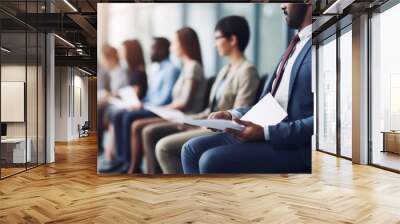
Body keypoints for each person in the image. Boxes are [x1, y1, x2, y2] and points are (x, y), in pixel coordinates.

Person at [181, 2, 313, 174]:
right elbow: (267, 104)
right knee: (190, 149)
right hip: (265, 130)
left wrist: (266, 132)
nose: (281, 5)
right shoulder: (293, 47)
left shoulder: (322, 44)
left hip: (295, 145)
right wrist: (232, 114)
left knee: (210, 160)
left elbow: (324, 120)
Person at [141, 16, 260, 174]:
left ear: (232, 40)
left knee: (164, 147)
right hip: (209, 124)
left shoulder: (247, 70)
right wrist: (190, 121)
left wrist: (198, 125)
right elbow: (210, 109)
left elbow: (239, 115)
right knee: (155, 134)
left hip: (223, 130)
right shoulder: (225, 70)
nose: (214, 44)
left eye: (217, 38)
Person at [126, 27, 207, 173]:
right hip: (177, 114)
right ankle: (141, 170)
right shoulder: (186, 67)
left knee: (143, 128)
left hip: (185, 115)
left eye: (174, 43)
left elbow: (184, 103)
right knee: (139, 125)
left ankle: (147, 172)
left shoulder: (193, 67)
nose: (171, 47)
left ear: (184, 44)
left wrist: (163, 109)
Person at [99, 37, 180, 173]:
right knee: (120, 114)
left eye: (152, 48)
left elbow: (164, 99)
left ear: (160, 50)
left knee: (125, 116)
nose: (149, 52)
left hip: (160, 109)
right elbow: (151, 95)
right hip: (150, 105)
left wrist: (144, 104)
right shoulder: (158, 69)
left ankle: (128, 163)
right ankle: (122, 160)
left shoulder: (170, 69)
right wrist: (143, 103)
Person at [97, 44, 130, 153]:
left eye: (103, 58)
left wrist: (110, 94)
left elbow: (124, 91)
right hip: (109, 100)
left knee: (100, 108)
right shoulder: (106, 72)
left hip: (119, 102)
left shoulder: (123, 71)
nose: (101, 61)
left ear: (109, 58)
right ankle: (99, 145)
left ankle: (101, 147)